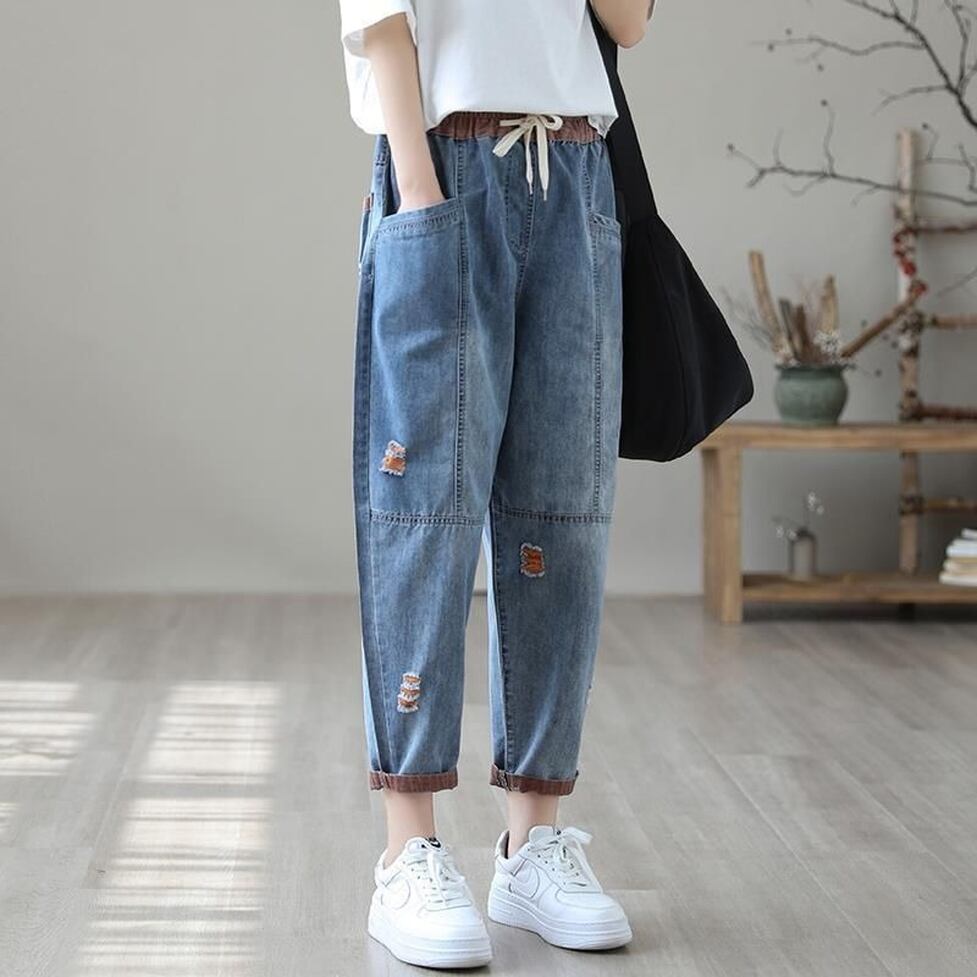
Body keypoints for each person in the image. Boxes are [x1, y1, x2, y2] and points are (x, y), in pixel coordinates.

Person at [340, 0, 653, 967]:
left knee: (562, 515)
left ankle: (533, 844)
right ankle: (407, 851)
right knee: (423, 513)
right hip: (445, 162)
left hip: (577, 169)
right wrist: (420, 190)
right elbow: (380, 18)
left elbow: (628, 23)